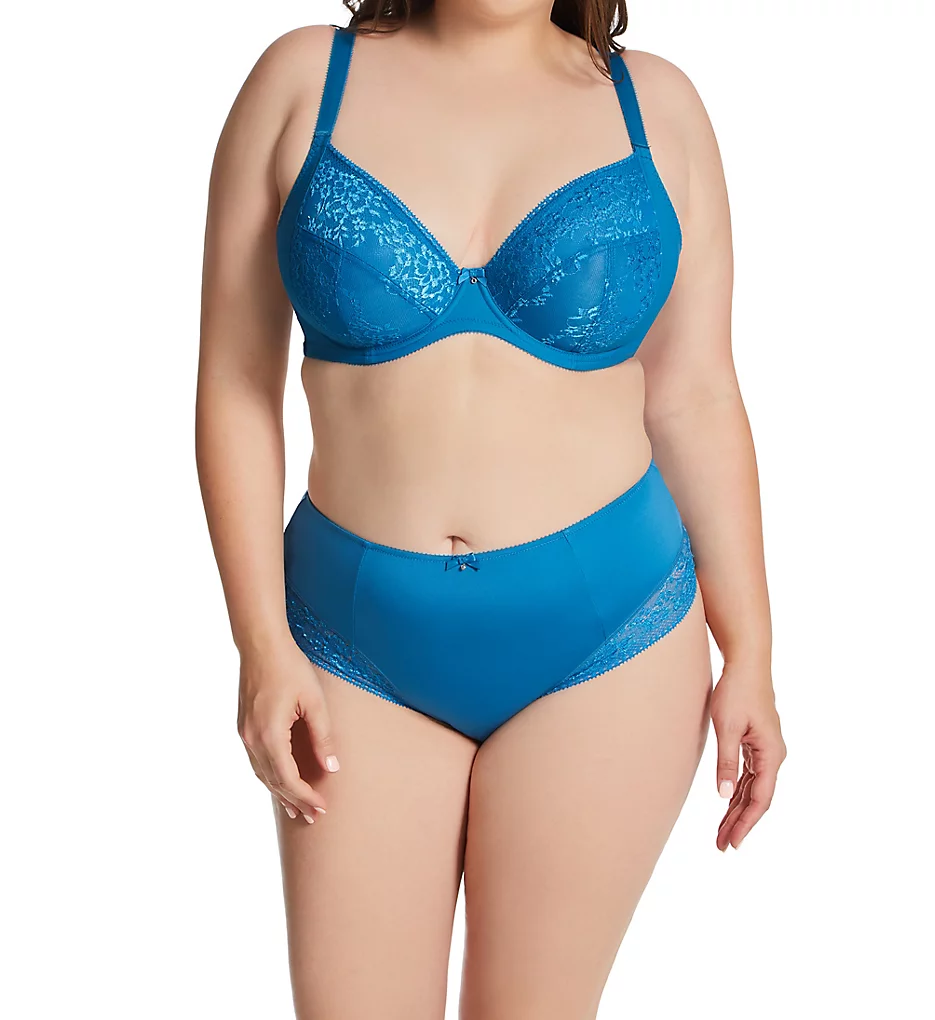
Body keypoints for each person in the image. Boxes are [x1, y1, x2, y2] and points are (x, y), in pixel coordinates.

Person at [196, 1, 786, 1016]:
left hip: (608, 640)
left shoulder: (656, 106)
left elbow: (694, 394)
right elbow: (235, 387)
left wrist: (752, 653)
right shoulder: (300, 81)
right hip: (348, 645)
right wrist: (260, 647)